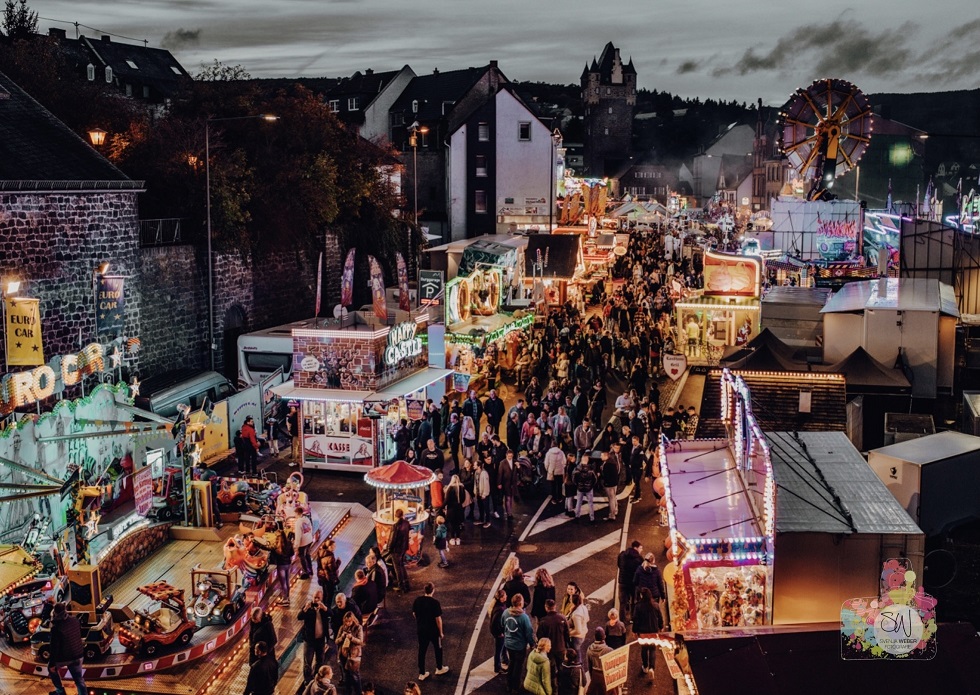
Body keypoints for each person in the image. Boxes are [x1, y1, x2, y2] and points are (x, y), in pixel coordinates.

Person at [46, 602, 87, 695]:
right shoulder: (75, 620)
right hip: (78, 655)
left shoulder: (56, 628)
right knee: (79, 679)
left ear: (55, 613)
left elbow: (54, 648)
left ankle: (60, 691)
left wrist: (52, 663)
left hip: (65, 657)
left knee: (50, 668)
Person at [413, 582, 450, 680]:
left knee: (422, 651)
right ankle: (439, 668)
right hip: (433, 631)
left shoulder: (417, 600)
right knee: (438, 649)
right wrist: (441, 632)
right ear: (433, 590)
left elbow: (414, 613)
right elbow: (438, 619)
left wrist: (420, 620)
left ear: (424, 590)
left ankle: (422, 673)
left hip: (421, 630)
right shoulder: (435, 603)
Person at [502, 594, 536, 693]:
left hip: (508, 644)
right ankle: (515, 687)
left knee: (511, 663)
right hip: (520, 646)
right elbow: (529, 632)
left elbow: (502, 624)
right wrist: (532, 644)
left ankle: (508, 684)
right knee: (518, 667)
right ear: (520, 603)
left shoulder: (505, 613)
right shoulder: (523, 617)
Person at [299, 591, 331, 684]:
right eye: (315, 597)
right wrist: (305, 609)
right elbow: (299, 617)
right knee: (307, 663)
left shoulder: (323, 608)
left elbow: (331, 613)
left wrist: (324, 608)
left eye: (318, 598)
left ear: (322, 599)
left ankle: (317, 680)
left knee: (320, 661)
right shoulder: (308, 608)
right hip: (309, 641)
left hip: (320, 640)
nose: (316, 600)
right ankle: (307, 681)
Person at [631, 588, 664, 676]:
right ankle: (652, 668)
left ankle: (645, 666)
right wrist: (661, 627)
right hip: (653, 631)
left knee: (644, 649)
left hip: (643, 632)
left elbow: (636, 620)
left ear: (642, 596)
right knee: (652, 649)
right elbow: (660, 618)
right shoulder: (655, 605)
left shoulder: (638, 606)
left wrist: (634, 631)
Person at [536, 599, 570, 684]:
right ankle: (561, 684)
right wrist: (566, 645)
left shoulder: (543, 621)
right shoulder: (562, 618)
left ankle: (553, 685)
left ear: (546, 608)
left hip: (549, 649)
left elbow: (539, 636)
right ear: (555, 607)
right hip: (561, 647)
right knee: (561, 666)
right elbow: (567, 634)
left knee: (551, 668)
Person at [336, 611, 364, 695]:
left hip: (353, 656)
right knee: (346, 676)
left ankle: (358, 692)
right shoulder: (342, 628)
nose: (347, 623)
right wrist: (342, 637)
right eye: (346, 621)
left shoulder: (358, 628)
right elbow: (336, 641)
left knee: (355, 675)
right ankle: (348, 692)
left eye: (349, 621)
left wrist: (351, 638)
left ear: (353, 620)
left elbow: (360, 641)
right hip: (343, 655)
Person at [267, 518, 293, 606]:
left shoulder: (276, 547)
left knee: (283, 583)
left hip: (281, 566)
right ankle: (287, 597)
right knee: (287, 581)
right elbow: (292, 553)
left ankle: (285, 600)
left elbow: (270, 552)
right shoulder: (289, 543)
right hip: (288, 564)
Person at [616, 541, 643, 620]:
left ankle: (622, 620)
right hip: (633, 583)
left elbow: (619, 565)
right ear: (636, 548)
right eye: (640, 548)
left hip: (622, 581)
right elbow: (640, 572)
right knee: (634, 601)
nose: (641, 550)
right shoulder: (639, 559)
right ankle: (633, 618)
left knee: (622, 602)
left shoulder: (622, 555)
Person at [389, 508, 411, 591]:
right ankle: (406, 583)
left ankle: (401, 586)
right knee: (402, 565)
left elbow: (392, 540)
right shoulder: (407, 523)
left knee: (397, 568)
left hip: (396, 550)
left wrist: (389, 549)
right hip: (404, 548)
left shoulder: (395, 526)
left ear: (395, 515)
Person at [489, 588, 510, 674]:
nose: (506, 597)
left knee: (500, 648)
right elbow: (495, 623)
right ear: (501, 598)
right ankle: (497, 668)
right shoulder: (500, 609)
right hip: (499, 634)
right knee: (498, 650)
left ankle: (502, 662)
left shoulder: (498, 605)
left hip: (500, 633)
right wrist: (500, 633)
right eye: (504, 596)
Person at [585, 628, 612, 695]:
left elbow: (589, 665)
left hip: (595, 675)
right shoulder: (609, 650)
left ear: (595, 637)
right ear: (604, 636)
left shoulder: (589, 649)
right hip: (605, 676)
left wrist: (592, 678)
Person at [444, 475, 466, 545]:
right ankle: (458, 539)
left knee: (452, 524)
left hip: (451, 509)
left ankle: (453, 538)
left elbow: (447, 500)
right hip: (459, 508)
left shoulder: (450, 488)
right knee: (458, 524)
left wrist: (442, 506)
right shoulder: (462, 487)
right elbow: (463, 498)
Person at [568, 593, 589, 667]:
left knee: (576, 651)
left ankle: (578, 666)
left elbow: (578, 630)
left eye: (570, 599)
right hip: (583, 633)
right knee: (578, 649)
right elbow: (587, 619)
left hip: (577, 637)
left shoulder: (576, 614)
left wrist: (569, 633)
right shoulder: (583, 607)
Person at [294, 505, 315, 580]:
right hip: (309, 540)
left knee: (302, 556)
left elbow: (298, 535)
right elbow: (311, 529)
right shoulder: (307, 519)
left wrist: (296, 546)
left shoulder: (298, 523)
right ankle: (310, 570)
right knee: (307, 555)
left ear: (297, 513)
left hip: (303, 542)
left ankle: (305, 571)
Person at [574, 458, 598, 523]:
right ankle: (592, 518)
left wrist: (578, 485)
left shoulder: (577, 469)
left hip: (580, 488)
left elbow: (574, 478)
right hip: (589, 489)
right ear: (587, 461)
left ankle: (577, 516)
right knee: (590, 503)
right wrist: (591, 486)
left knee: (578, 502)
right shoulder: (591, 470)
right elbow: (595, 479)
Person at [599, 450, 620, 521]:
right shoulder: (612, 462)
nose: (600, 457)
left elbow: (606, 476)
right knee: (613, 497)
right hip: (614, 483)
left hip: (609, 484)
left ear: (606, 456)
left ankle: (612, 515)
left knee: (611, 499)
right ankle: (615, 510)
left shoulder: (607, 465)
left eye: (602, 455)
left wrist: (600, 475)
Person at [498, 450, 517, 521]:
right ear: (506, 455)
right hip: (506, 484)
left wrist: (518, 467)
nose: (510, 457)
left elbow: (520, 471)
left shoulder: (515, 462)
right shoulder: (502, 463)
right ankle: (509, 513)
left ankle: (510, 512)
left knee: (511, 498)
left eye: (511, 456)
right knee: (508, 499)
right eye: (509, 456)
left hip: (513, 484)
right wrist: (499, 483)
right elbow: (500, 474)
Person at [475, 459, 492, 528]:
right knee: (480, 507)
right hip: (479, 493)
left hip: (484, 494)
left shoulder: (484, 473)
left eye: (475, 465)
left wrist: (484, 494)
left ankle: (488, 521)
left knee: (486, 508)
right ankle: (481, 520)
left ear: (478, 466)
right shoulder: (476, 472)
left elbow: (486, 484)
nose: (473, 466)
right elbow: (475, 483)